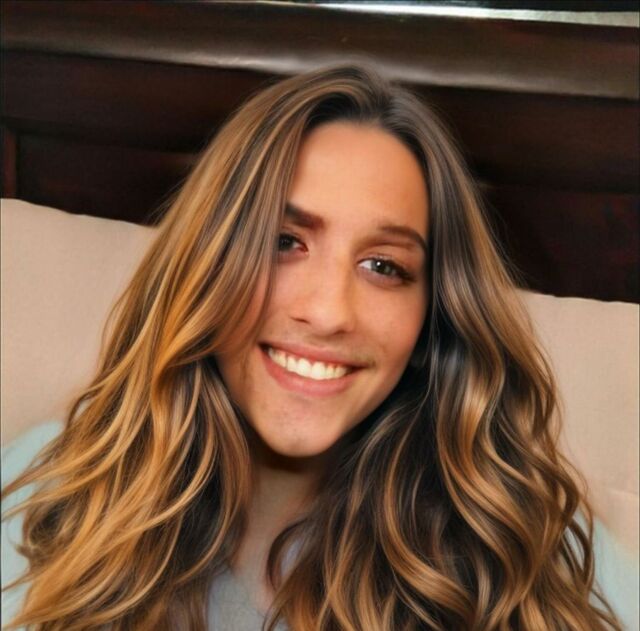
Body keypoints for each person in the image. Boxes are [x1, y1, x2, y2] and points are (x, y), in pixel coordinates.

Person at [1, 63, 624, 630]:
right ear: (206, 264)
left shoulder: (520, 543)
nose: (328, 313)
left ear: (431, 322)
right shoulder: (48, 491)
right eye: (284, 242)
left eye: (383, 266)